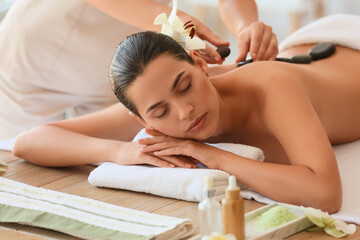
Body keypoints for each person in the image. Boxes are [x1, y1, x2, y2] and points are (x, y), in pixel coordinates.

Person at [14, 14, 360, 213]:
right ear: (142, 121)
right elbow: (30, 142)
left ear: (199, 64)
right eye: (160, 111)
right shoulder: (153, 103)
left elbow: (325, 194)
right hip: (306, 57)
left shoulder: (272, 87)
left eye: (185, 85)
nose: (184, 111)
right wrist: (122, 151)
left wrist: (212, 156)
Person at [0, 0, 277, 141]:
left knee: (99, 170)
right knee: (17, 168)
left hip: (115, 63)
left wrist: (246, 27)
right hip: (37, 52)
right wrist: (172, 20)